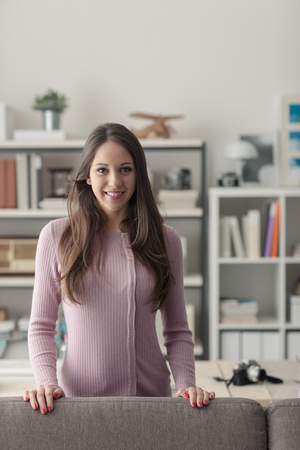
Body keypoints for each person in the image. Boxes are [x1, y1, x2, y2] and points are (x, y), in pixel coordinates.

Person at [23, 123, 215, 414]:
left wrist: (186, 385)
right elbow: (41, 326)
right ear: (87, 175)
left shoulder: (166, 239)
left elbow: (176, 330)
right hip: (77, 405)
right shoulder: (56, 236)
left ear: (139, 174)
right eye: (102, 170)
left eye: (125, 169)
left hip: (151, 401)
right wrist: (46, 382)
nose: (114, 181)